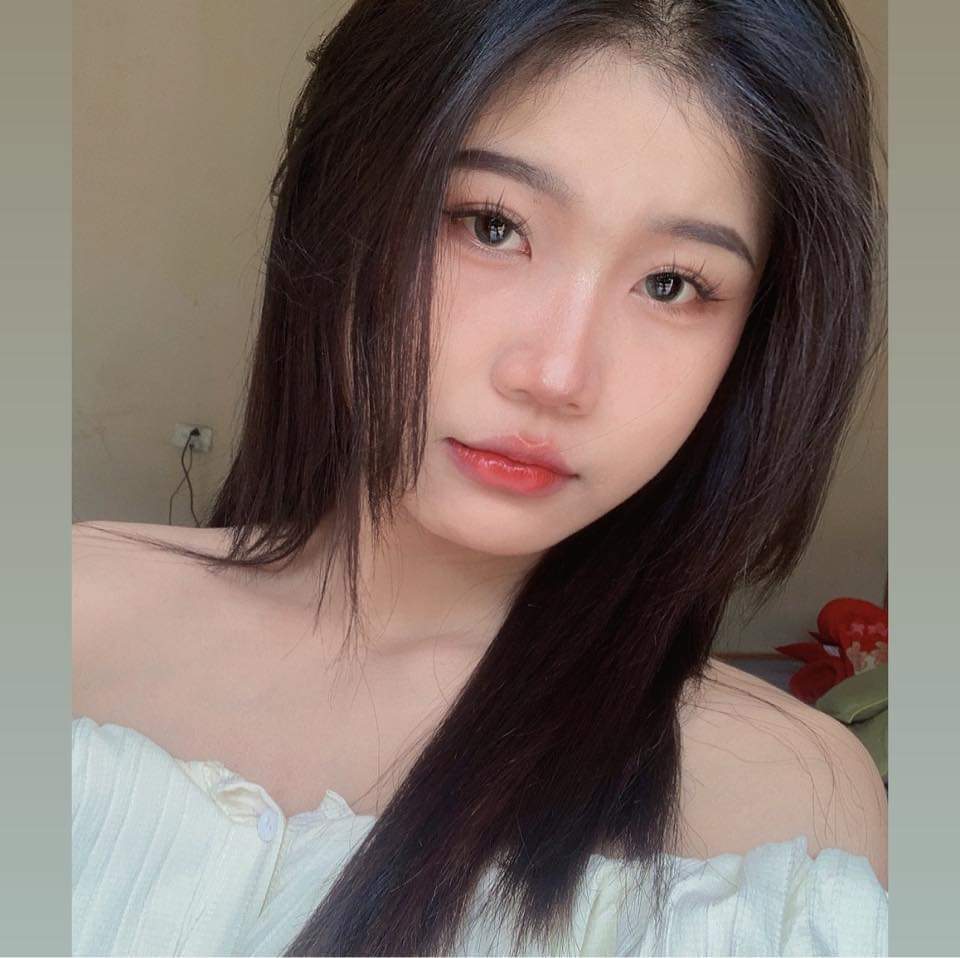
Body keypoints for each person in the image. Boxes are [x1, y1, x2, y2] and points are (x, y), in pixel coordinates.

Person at [72, 0, 888, 954]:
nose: (555, 375)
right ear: (341, 210)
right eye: (491, 225)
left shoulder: (791, 809)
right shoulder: (70, 612)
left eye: (673, 284)